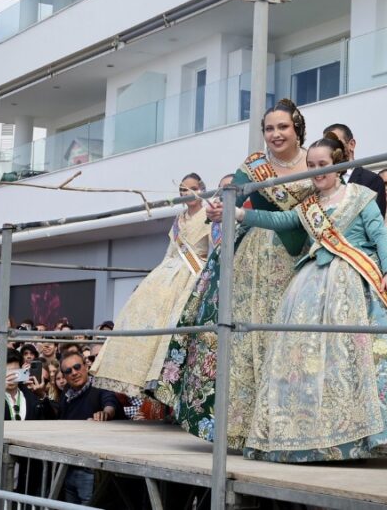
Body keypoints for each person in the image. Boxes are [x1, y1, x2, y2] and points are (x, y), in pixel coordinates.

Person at [232, 134, 387, 462]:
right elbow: (281, 220)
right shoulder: (309, 206)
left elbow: (380, 237)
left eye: (323, 165)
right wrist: (239, 214)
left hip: (362, 280)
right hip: (313, 284)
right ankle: (320, 433)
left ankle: (369, 435)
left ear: (338, 165)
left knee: (365, 360)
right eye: (312, 166)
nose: (317, 171)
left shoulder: (360, 196)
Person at [155, 99, 315, 448]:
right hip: (253, 256)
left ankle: (293, 426)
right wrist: (218, 209)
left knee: (291, 336)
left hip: (299, 255)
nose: (275, 134)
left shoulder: (313, 162)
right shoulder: (254, 165)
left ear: (297, 129)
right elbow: (233, 199)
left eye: (283, 127)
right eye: (269, 128)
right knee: (246, 335)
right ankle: (243, 426)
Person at [91, 173, 210, 399]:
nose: (188, 194)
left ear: (202, 189)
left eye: (192, 189)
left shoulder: (209, 214)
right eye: (183, 190)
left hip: (195, 270)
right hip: (170, 270)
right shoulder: (179, 219)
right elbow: (171, 251)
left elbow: (213, 247)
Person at [0, 350, 55, 492]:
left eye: (15, 372)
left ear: (22, 371)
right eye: (6, 372)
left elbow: (50, 422)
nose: (11, 376)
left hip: (26, 476)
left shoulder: (33, 399)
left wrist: (42, 395)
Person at [58, 352, 122, 505]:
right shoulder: (66, 395)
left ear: (86, 366)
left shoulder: (100, 386)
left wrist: (105, 414)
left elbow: (110, 403)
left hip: (91, 469)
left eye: (77, 367)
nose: (74, 373)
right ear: (64, 376)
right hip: (68, 465)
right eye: (68, 371)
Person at [324, 123, 387, 214]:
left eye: (336, 143)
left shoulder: (372, 180)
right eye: (327, 146)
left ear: (351, 144)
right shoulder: (323, 182)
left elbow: (377, 219)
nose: (332, 149)